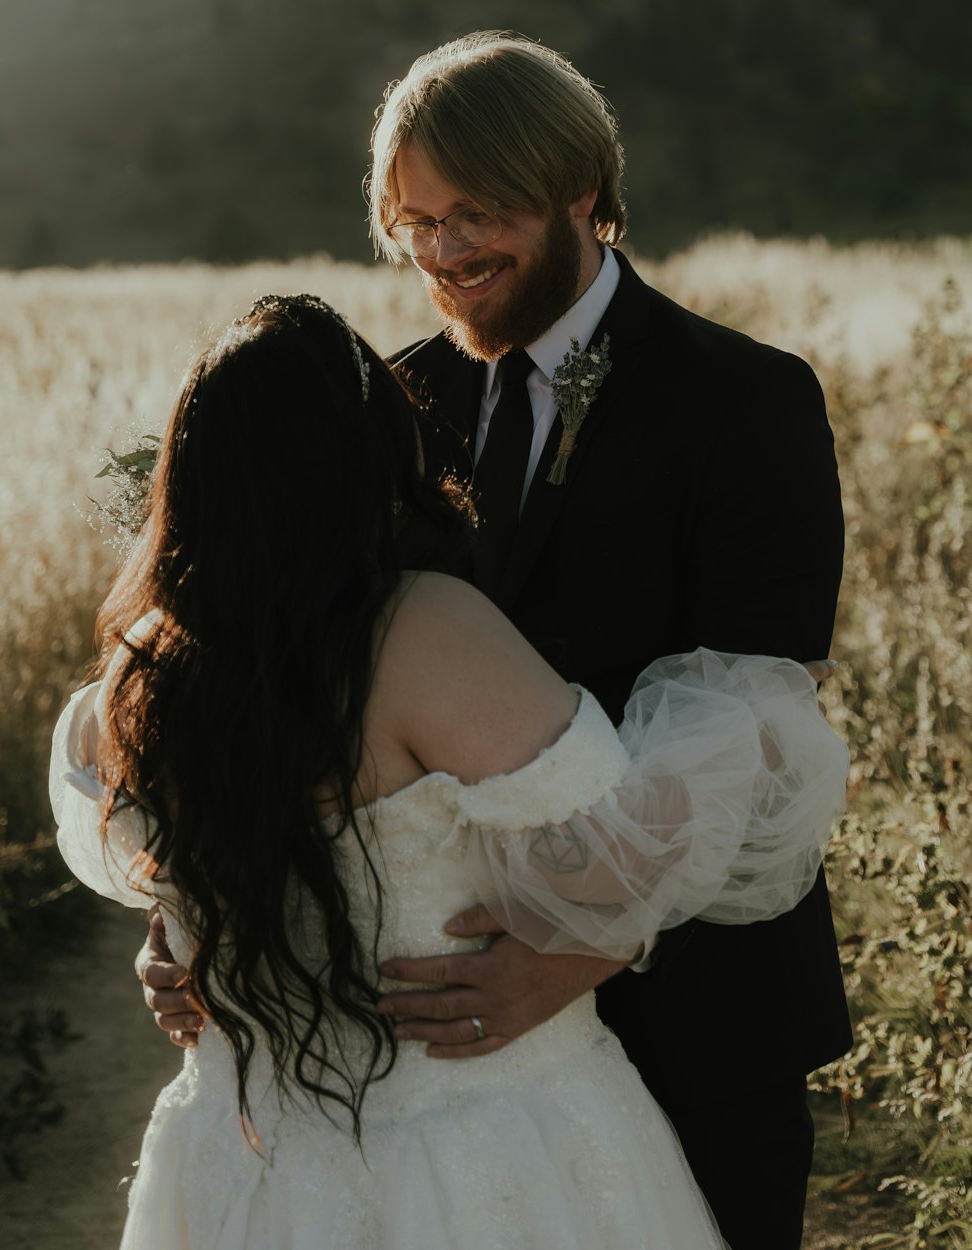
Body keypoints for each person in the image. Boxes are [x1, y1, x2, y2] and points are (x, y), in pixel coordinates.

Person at [139, 32, 852, 1249]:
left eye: (477, 213)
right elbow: (286, 669)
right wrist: (216, 915)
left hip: (695, 1003)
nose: (444, 253)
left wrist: (580, 945)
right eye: (413, 222)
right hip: (431, 1056)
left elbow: (752, 717)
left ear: (581, 186)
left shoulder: (745, 398)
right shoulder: (387, 406)